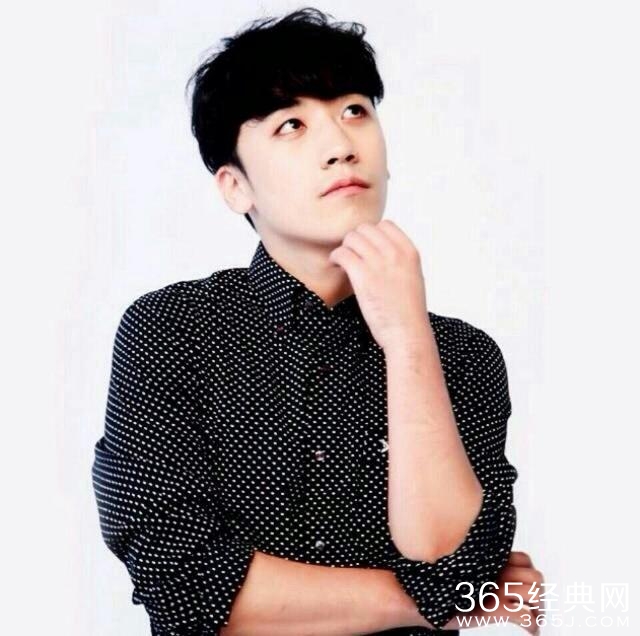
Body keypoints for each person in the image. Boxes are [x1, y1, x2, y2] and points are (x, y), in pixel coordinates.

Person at [91, 7, 543, 635]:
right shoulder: (173, 330)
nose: (341, 146)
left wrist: (407, 338)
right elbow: (184, 584)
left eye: (355, 110)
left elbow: (450, 559)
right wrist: (432, 600)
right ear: (235, 187)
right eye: (292, 125)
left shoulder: (462, 356)